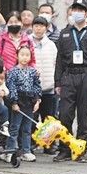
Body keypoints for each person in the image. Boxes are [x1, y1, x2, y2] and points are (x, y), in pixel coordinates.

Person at [54, 0, 87, 162]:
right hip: (68, 75)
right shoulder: (64, 33)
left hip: (86, 76)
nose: (77, 12)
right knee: (65, 115)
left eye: (81, 10)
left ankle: (80, 149)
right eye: (75, 9)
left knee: (84, 115)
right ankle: (64, 149)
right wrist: (58, 82)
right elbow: (59, 59)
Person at [4, 46, 42, 162]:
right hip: (18, 102)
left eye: (27, 55)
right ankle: (10, 151)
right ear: (17, 56)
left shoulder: (33, 71)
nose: (25, 57)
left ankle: (26, 150)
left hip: (29, 102)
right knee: (14, 127)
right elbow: (12, 87)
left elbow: (37, 86)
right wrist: (14, 102)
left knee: (27, 128)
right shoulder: (13, 71)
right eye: (22, 55)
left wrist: (37, 100)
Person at [31, 16, 58, 152]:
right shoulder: (27, 42)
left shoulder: (51, 45)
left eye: (41, 26)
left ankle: (49, 145)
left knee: (49, 118)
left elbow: (55, 64)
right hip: (32, 89)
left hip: (48, 86)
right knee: (32, 117)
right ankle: (32, 143)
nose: (38, 28)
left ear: (46, 28)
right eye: (36, 25)